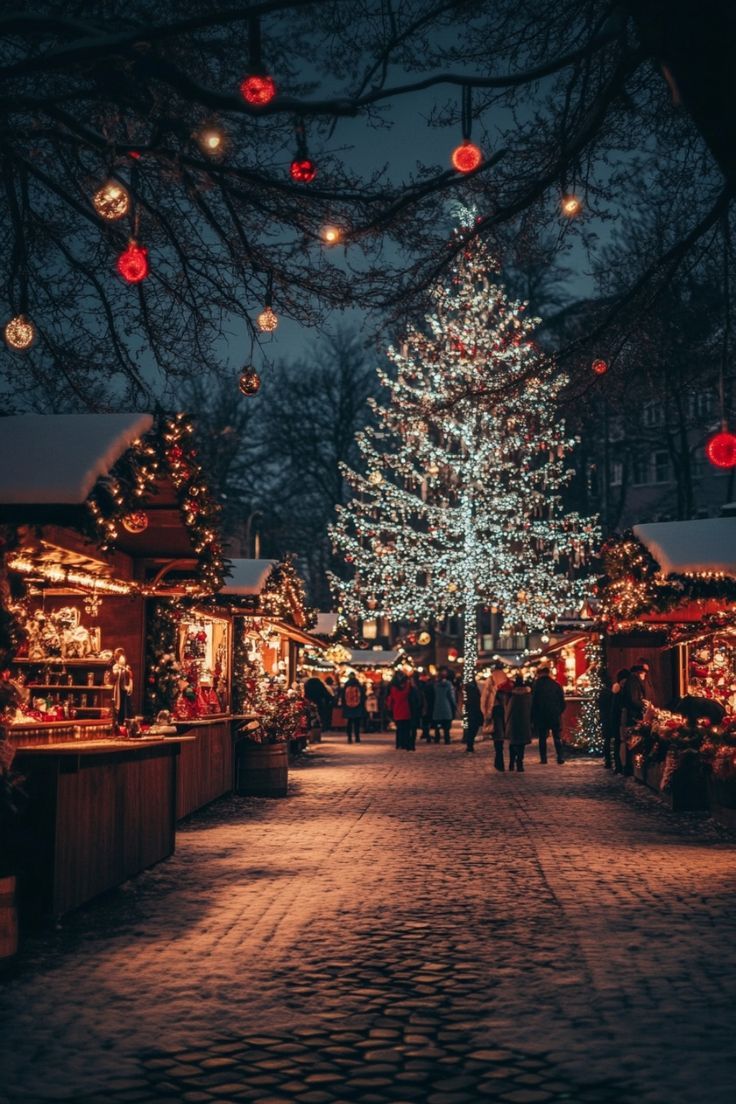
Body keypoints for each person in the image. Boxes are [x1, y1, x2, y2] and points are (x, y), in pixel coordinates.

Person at [531, 665, 566, 764]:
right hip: (554, 714)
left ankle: (543, 758)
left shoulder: (536, 685)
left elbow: (534, 702)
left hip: (541, 715)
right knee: (557, 737)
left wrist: (533, 716)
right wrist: (558, 711)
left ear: (540, 673)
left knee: (542, 738)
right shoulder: (556, 684)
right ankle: (560, 757)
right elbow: (562, 702)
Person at [507, 675, 532, 771]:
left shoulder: (512, 695)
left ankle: (511, 762)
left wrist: (506, 721)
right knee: (522, 744)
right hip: (524, 721)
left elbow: (508, 708)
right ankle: (520, 763)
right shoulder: (528, 694)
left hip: (513, 721)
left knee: (513, 742)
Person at [387, 671, 415, 750]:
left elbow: (391, 700)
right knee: (406, 728)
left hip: (397, 710)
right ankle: (405, 743)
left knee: (399, 728)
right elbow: (403, 695)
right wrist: (408, 686)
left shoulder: (392, 689)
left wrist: (390, 709)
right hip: (405, 709)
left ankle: (399, 744)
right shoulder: (406, 689)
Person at [610, 668, 629, 773]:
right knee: (618, 742)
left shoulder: (616, 691)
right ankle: (619, 766)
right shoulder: (619, 692)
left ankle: (618, 766)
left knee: (617, 743)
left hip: (616, 720)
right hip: (619, 720)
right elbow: (619, 707)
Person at [339, 672, 366, 744]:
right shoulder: (358, 685)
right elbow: (363, 696)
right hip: (358, 707)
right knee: (357, 723)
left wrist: (343, 705)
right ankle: (357, 738)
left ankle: (349, 738)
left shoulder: (346, 685)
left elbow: (343, 697)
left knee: (349, 723)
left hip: (348, 707)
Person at [111, 647, 134, 729]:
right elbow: (115, 676)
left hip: (124, 689)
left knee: (125, 706)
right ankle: (118, 722)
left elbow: (128, 678)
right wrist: (120, 672)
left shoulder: (126, 668)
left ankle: (125, 721)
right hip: (117, 691)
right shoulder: (115, 667)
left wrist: (128, 673)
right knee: (118, 707)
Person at [432, 671, 456, 744]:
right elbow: (451, 696)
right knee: (446, 725)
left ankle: (437, 737)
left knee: (437, 724)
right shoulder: (448, 684)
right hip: (446, 706)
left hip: (437, 706)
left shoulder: (435, 685)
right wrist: (454, 704)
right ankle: (447, 738)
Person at [598, 670, 614, 769]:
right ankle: (610, 760)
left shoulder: (603, 692)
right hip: (611, 717)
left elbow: (600, 705)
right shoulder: (612, 692)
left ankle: (608, 760)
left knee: (607, 740)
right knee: (612, 740)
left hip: (605, 718)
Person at [463, 677, 483, 753]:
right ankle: (470, 746)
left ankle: (470, 745)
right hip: (475, 712)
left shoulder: (469, 691)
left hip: (472, 712)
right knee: (473, 729)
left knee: (471, 729)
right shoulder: (474, 690)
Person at [419, 673, 435, 742]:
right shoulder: (429, 686)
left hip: (425, 706)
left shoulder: (421, 685)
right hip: (427, 705)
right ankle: (426, 733)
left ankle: (425, 733)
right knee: (427, 720)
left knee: (425, 721)